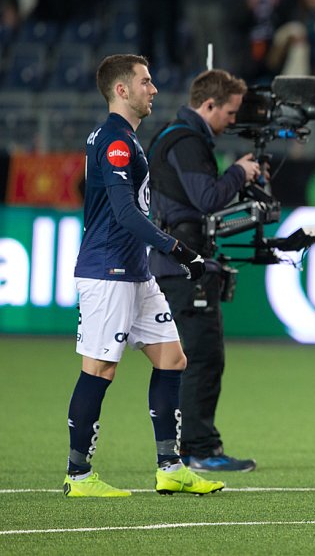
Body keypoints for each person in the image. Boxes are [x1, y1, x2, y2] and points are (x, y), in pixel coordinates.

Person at [66, 54, 224, 497]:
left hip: (135, 272)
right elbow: (123, 212)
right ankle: (78, 475)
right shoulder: (115, 141)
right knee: (99, 368)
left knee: (173, 358)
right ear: (122, 90)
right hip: (108, 271)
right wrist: (176, 248)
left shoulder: (127, 140)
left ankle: (170, 467)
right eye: (145, 82)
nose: (153, 89)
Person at [147, 69, 263, 472]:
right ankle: (198, 449)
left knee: (188, 358)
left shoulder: (170, 136)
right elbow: (207, 198)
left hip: (174, 261)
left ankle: (185, 448)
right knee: (201, 358)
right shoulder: (188, 141)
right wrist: (239, 173)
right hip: (183, 266)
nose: (233, 120)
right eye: (230, 111)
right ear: (209, 104)